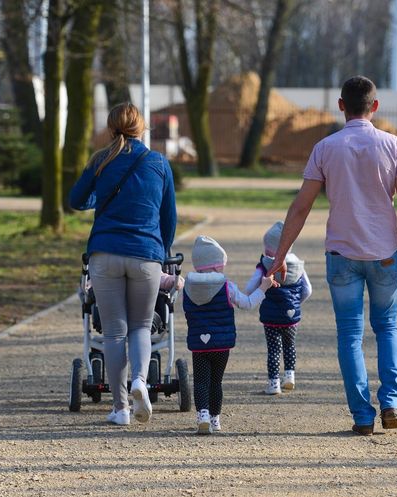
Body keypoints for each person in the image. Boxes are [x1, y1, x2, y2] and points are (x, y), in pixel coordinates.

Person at [267, 76, 397, 436]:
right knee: (388, 327)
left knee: (349, 334)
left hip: (341, 254)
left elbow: (300, 208)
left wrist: (281, 255)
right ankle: (390, 402)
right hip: (385, 253)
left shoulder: (325, 148)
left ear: (341, 106)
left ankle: (361, 415)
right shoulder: (394, 146)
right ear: (375, 107)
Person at [69, 102, 177, 427]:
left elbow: (75, 200)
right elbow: (168, 217)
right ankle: (140, 382)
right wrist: (163, 252)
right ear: (141, 128)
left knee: (114, 332)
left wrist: (97, 199)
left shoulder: (99, 161)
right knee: (141, 326)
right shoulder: (158, 162)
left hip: (104, 253)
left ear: (110, 127)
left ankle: (120, 409)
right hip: (146, 255)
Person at [183, 235, 275, 434]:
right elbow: (248, 304)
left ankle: (203, 416)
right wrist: (263, 287)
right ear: (217, 266)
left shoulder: (188, 286)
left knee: (200, 381)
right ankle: (215, 419)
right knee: (216, 381)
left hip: (199, 344)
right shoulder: (228, 287)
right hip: (221, 344)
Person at [245, 221, 312, 395]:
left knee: (274, 349)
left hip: (271, 317)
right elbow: (308, 290)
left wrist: (256, 294)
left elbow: (250, 288)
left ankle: (274, 383)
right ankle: (290, 376)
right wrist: (296, 304)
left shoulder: (264, 266)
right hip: (292, 316)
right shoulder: (298, 266)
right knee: (290, 345)